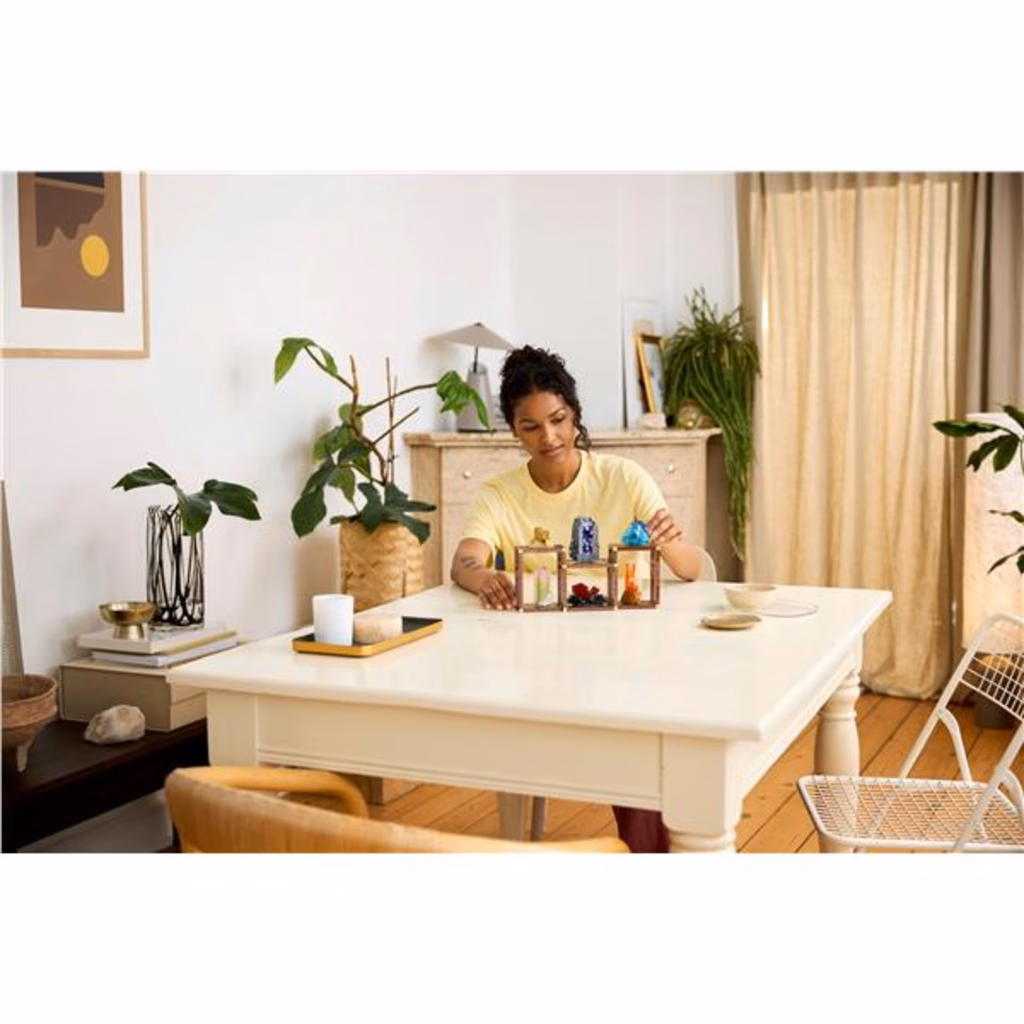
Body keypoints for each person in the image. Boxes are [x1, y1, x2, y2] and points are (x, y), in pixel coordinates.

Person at [449, 345, 705, 852]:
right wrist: (485, 579)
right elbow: (464, 562)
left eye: (558, 420)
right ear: (513, 430)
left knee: (638, 724)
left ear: (575, 414)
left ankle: (659, 852)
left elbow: (692, 569)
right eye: (530, 426)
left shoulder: (623, 478)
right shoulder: (499, 495)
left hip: (625, 664)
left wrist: (669, 544)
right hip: (538, 674)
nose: (548, 438)